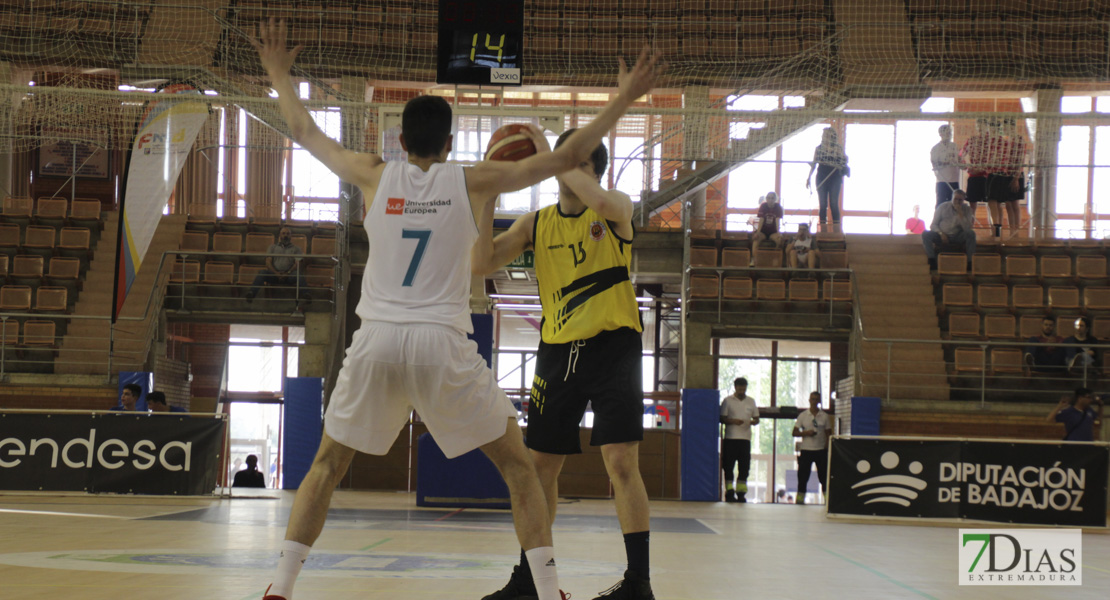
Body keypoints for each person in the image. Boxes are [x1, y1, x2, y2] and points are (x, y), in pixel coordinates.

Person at [251, 19, 662, 600]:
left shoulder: (371, 174)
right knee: (521, 468)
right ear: (449, 144)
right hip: (441, 341)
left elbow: (303, 131)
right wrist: (623, 98)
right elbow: (565, 155)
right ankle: (548, 593)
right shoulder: (471, 180)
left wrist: (277, 74)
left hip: (376, 340)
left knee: (325, 466)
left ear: (400, 142)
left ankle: (281, 587)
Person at [472, 138, 660, 598]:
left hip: (614, 346)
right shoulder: (536, 223)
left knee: (620, 461)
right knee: (540, 468)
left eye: (572, 162)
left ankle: (639, 583)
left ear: (591, 168)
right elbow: (481, 262)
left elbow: (595, 197)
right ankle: (530, 579)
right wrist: (490, 195)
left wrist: (554, 155)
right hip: (557, 351)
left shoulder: (614, 208)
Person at [719, 377, 760, 503]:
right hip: (731, 438)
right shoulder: (728, 401)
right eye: (740, 389)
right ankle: (729, 492)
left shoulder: (751, 401)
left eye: (744, 389)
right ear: (735, 387)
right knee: (728, 466)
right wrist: (733, 421)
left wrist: (753, 422)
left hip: (745, 439)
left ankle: (741, 493)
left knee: (744, 467)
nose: (742, 391)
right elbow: (722, 418)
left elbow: (757, 418)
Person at [246, 226, 308, 305]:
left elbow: (297, 264)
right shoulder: (272, 247)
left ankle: (307, 295)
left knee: (299, 275)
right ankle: (251, 293)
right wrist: (276, 273)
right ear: (280, 235)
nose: (285, 235)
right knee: (262, 273)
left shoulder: (297, 249)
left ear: (291, 236)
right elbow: (268, 262)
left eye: (288, 234)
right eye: (283, 233)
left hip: (289, 275)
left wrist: (288, 273)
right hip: (274, 275)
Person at [986, 118, 1026, 238]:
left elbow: (1021, 160)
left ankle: (1015, 231)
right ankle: (1011, 230)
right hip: (1006, 175)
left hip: (1016, 175)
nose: (1005, 130)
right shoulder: (1007, 141)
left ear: (1013, 127)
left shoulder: (1019, 140)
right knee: (1008, 204)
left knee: (1015, 204)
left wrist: (1016, 178)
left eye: (1007, 128)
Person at [805, 128, 848, 232]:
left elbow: (843, 162)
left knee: (833, 203)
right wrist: (809, 178)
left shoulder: (838, 148)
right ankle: (823, 229)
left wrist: (843, 160)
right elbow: (814, 163)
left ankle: (836, 229)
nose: (825, 136)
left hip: (834, 177)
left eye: (827, 135)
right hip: (821, 176)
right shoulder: (819, 149)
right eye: (824, 134)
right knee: (823, 204)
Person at [792, 392, 831, 504]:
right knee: (803, 476)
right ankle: (800, 499)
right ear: (809, 400)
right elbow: (794, 432)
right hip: (806, 450)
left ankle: (827, 500)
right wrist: (805, 433)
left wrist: (827, 447)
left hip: (820, 450)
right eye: (812, 399)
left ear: (819, 401)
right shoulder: (803, 415)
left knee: (824, 477)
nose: (814, 401)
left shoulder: (824, 416)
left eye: (816, 399)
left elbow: (829, 433)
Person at [922, 188, 976, 271]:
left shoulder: (967, 209)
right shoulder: (942, 207)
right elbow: (933, 225)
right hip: (941, 235)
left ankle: (970, 262)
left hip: (958, 235)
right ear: (952, 198)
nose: (957, 202)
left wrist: (960, 214)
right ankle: (931, 260)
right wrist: (941, 233)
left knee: (971, 233)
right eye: (955, 199)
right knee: (926, 234)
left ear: (963, 200)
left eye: (960, 200)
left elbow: (967, 228)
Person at [960, 117, 994, 215]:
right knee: (972, 206)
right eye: (978, 126)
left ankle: (993, 230)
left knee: (991, 206)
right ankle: (970, 229)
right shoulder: (972, 140)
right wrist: (967, 167)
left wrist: (982, 169)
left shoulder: (991, 141)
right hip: (974, 176)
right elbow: (961, 155)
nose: (980, 128)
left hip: (987, 177)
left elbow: (994, 158)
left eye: (982, 126)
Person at [931, 124, 961, 207]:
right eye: (947, 132)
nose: (949, 135)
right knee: (941, 204)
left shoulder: (954, 146)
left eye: (950, 132)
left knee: (955, 205)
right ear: (940, 134)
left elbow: (958, 160)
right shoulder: (935, 149)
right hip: (942, 181)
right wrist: (947, 162)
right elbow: (935, 164)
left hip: (954, 180)